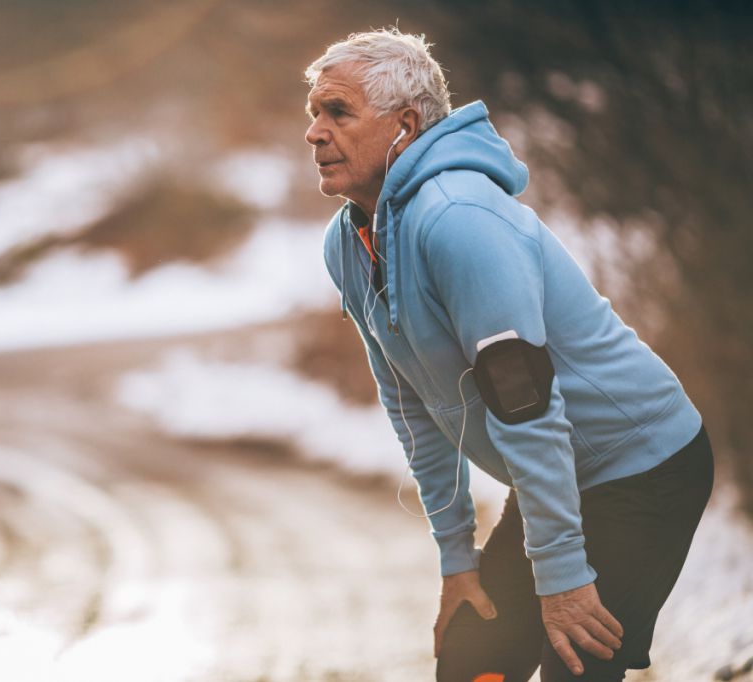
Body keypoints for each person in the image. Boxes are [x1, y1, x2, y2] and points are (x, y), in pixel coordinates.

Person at [304, 28, 714, 682]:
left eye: (338, 113)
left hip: (642, 466)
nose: (315, 133)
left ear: (404, 125)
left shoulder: (459, 218)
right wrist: (456, 561)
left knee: (576, 663)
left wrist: (561, 578)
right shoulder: (350, 243)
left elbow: (526, 403)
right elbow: (411, 403)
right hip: (558, 471)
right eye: (314, 113)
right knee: (471, 664)